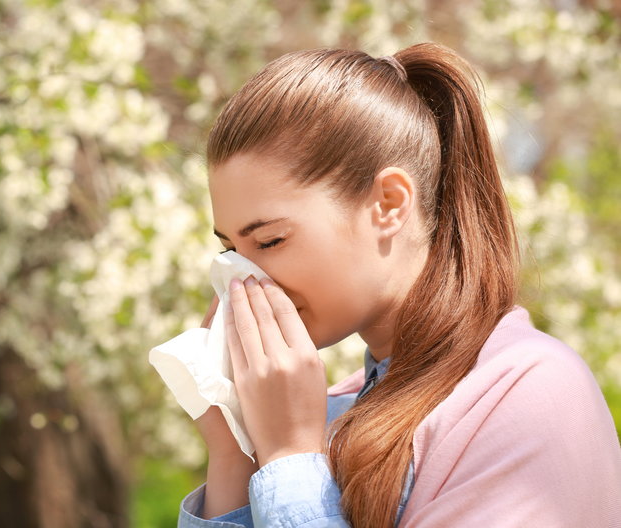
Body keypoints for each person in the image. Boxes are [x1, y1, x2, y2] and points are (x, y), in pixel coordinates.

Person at [175, 42, 621, 528]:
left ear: (388, 203)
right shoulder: (334, 410)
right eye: (230, 252)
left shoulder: (527, 393)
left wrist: (288, 458)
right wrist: (235, 453)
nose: (246, 278)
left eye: (270, 239)